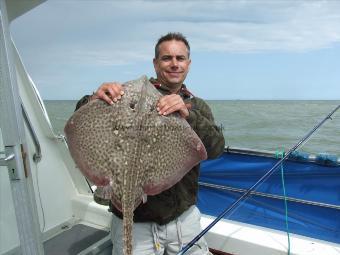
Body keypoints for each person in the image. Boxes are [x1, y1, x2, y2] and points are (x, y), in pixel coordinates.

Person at [75, 32, 225, 255]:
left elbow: (215, 148)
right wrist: (93, 99)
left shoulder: (197, 106)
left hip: (183, 218)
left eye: (180, 58)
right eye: (167, 58)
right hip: (135, 223)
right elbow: (81, 123)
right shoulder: (126, 98)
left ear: (188, 64)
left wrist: (188, 115)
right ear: (155, 63)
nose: (174, 64)